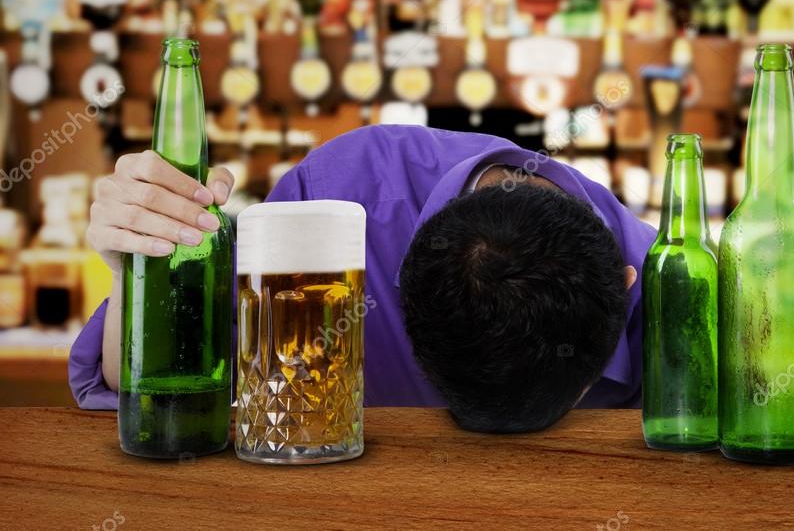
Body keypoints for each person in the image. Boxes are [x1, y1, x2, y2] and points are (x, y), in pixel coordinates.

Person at [70, 125, 655, 433]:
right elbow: (149, 384)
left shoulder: (670, 291)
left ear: (626, 285)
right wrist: (137, 268)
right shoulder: (338, 197)